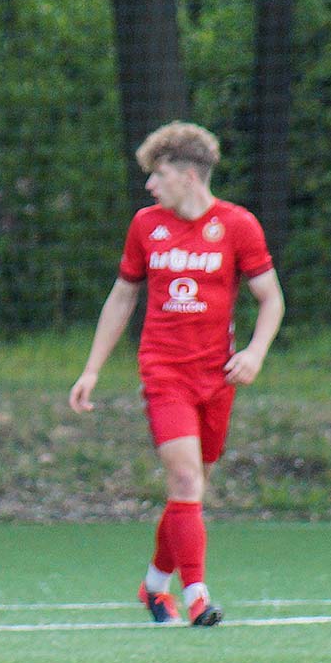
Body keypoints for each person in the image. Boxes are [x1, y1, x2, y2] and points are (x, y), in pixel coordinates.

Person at [69, 121, 285, 627]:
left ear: (189, 176)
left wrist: (255, 353)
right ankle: (198, 597)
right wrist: (91, 369)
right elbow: (122, 297)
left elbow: (271, 298)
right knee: (185, 478)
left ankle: (153, 587)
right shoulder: (146, 226)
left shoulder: (237, 225)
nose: (150, 185)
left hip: (218, 377)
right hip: (164, 372)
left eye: (159, 175)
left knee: (190, 491)